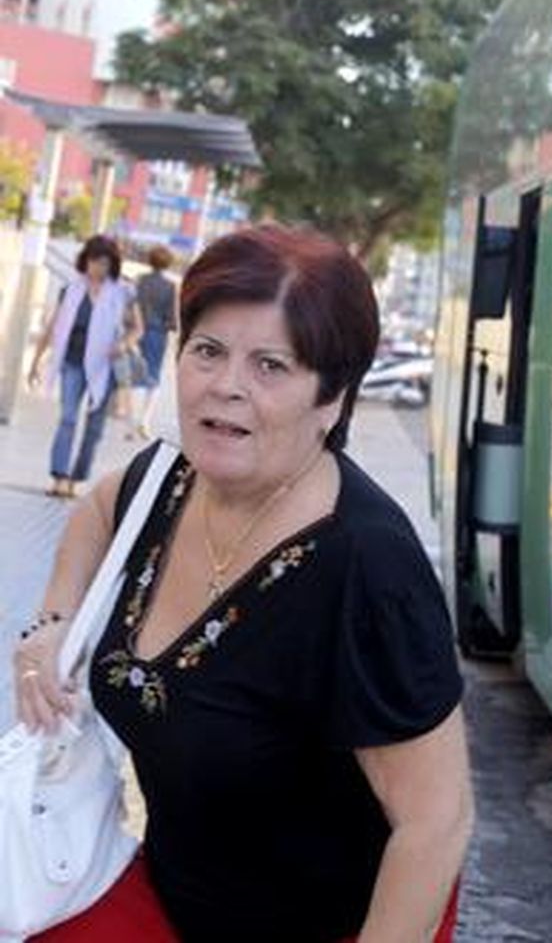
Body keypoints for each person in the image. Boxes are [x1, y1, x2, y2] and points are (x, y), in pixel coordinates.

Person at [10, 225, 473, 942]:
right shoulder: (164, 485)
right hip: (173, 895)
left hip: (341, 922)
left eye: (271, 366)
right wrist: (51, 625)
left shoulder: (368, 570)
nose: (226, 386)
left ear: (332, 399)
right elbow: (98, 510)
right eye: (208, 351)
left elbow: (437, 821)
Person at [29, 236, 144, 499]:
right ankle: (59, 477)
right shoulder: (71, 289)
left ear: (111, 264)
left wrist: (123, 345)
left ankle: (76, 479)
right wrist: (36, 362)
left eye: (104, 263)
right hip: (71, 363)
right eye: (94, 261)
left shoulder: (122, 291)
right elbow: (52, 327)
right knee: (68, 418)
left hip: (104, 368)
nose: (98, 268)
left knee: (94, 429)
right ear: (86, 260)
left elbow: (138, 329)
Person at [128, 245, 179, 441]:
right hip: (158, 335)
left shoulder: (139, 281)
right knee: (153, 378)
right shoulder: (170, 287)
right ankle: (144, 419)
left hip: (136, 332)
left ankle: (131, 422)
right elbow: (172, 318)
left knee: (134, 376)